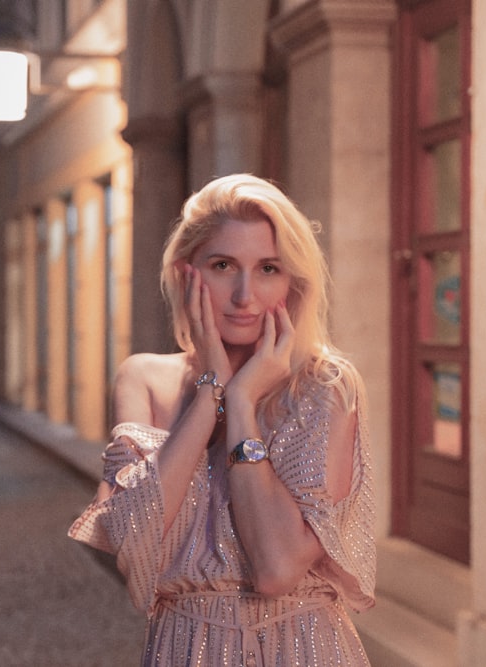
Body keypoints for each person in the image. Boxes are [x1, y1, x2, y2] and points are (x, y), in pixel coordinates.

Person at [68, 174, 376, 666]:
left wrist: (241, 404)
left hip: (305, 649)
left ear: (293, 283)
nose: (244, 294)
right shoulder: (144, 378)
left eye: (268, 268)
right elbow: (133, 550)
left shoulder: (324, 386)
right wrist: (212, 389)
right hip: (185, 651)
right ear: (184, 271)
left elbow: (276, 570)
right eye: (223, 265)